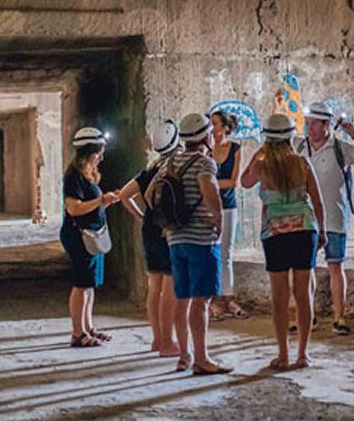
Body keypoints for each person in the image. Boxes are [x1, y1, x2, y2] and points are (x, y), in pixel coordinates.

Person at [241, 114, 327, 370]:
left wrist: (258, 152)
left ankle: (283, 355)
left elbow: (244, 181)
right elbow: (318, 202)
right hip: (304, 231)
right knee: (304, 295)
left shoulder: (261, 165)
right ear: (290, 136)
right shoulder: (303, 163)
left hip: (275, 234)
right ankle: (303, 354)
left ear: (267, 138)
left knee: (280, 299)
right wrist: (321, 231)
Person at [298, 101, 354, 335]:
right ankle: (306, 316)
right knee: (305, 269)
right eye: (307, 123)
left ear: (327, 124)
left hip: (334, 218)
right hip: (306, 219)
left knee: (335, 266)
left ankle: (339, 317)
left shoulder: (339, 148)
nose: (309, 128)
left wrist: (353, 133)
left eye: (314, 123)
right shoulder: (300, 148)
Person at [163, 113, 232, 375]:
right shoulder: (205, 162)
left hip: (175, 238)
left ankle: (184, 356)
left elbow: (153, 194)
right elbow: (209, 191)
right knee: (201, 301)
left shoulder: (172, 160)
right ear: (205, 136)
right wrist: (218, 221)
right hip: (201, 239)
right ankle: (202, 358)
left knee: (182, 299)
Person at [118, 120, 182, 357]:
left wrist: (143, 215)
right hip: (167, 230)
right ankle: (168, 342)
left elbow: (125, 196)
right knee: (170, 288)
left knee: (154, 287)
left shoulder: (150, 169)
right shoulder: (173, 166)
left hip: (150, 229)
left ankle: (157, 339)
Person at [60, 126, 120, 347]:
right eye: (98, 152)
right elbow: (73, 208)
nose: (101, 157)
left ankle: (88, 327)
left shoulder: (88, 174)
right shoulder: (74, 176)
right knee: (81, 285)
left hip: (92, 236)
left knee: (89, 285)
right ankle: (78, 333)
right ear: (86, 152)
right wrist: (101, 201)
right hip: (79, 236)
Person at [209, 110, 248, 321]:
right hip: (208, 207)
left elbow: (233, 182)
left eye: (214, 124)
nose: (212, 129)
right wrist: (215, 185)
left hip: (228, 206)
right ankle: (212, 299)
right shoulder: (207, 151)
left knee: (226, 254)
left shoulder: (235, 149)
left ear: (224, 127)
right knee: (211, 253)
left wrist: (211, 184)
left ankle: (228, 298)